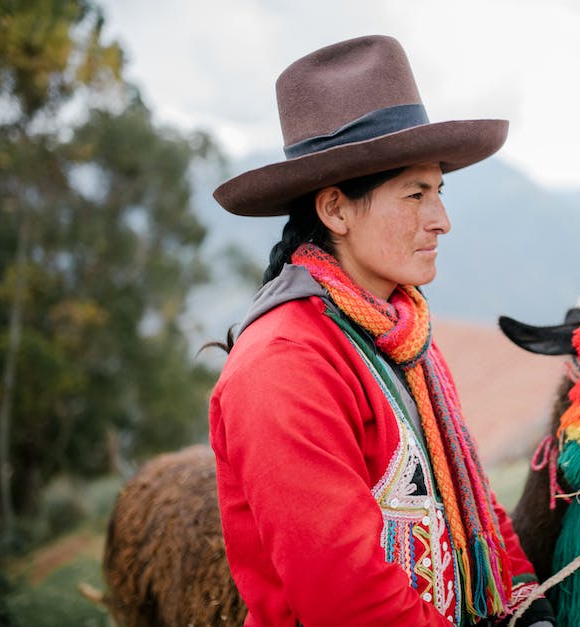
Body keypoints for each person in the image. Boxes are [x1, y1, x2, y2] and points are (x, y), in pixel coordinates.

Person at [208, 35, 554, 626]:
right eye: (415, 194)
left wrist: (526, 598)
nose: (441, 220)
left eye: (439, 192)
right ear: (336, 210)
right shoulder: (284, 367)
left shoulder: (399, 330)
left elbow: (462, 492)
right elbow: (347, 597)